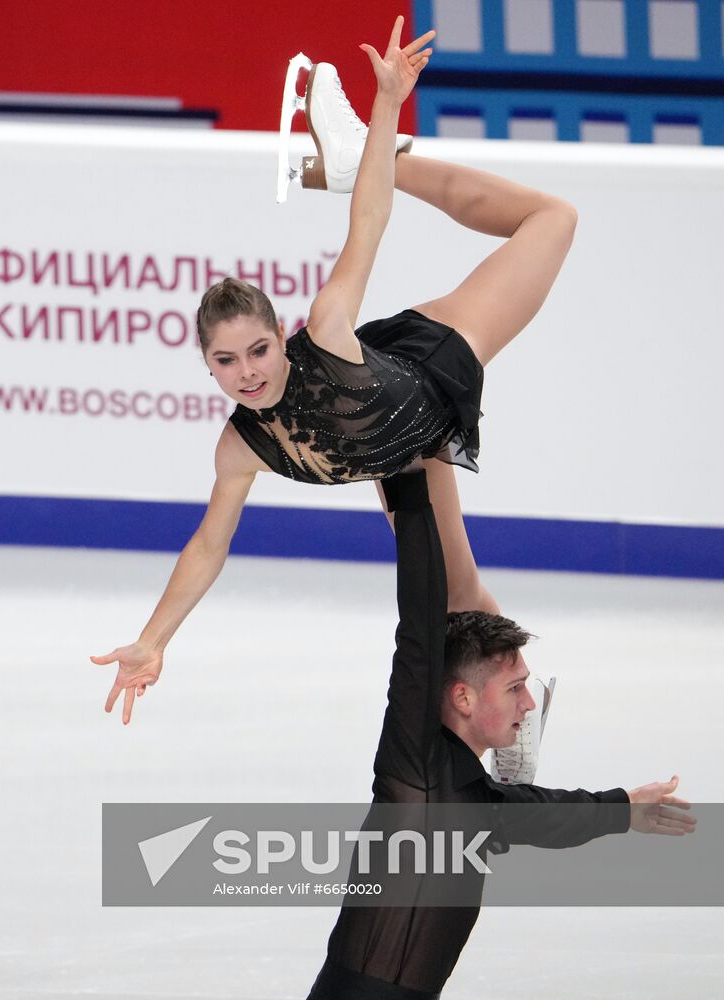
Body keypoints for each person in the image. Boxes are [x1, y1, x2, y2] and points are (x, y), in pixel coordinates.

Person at [92, 17, 578, 731]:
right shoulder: (239, 448)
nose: (246, 373)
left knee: (553, 217)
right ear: (208, 366)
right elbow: (207, 545)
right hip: (398, 448)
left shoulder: (323, 325)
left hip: (424, 365)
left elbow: (370, 223)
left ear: (279, 337)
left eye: (258, 349)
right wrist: (153, 639)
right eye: (225, 362)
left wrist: (386, 107)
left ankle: (364, 155)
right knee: (462, 594)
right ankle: (519, 727)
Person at [305, 467, 695, 999]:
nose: (530, 703)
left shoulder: (476, 797)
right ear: (462, 698)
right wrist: (403, 470)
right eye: (515, 689)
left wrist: (625, 807)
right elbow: (420, 613)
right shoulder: (414, 766)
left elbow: (548, 814)